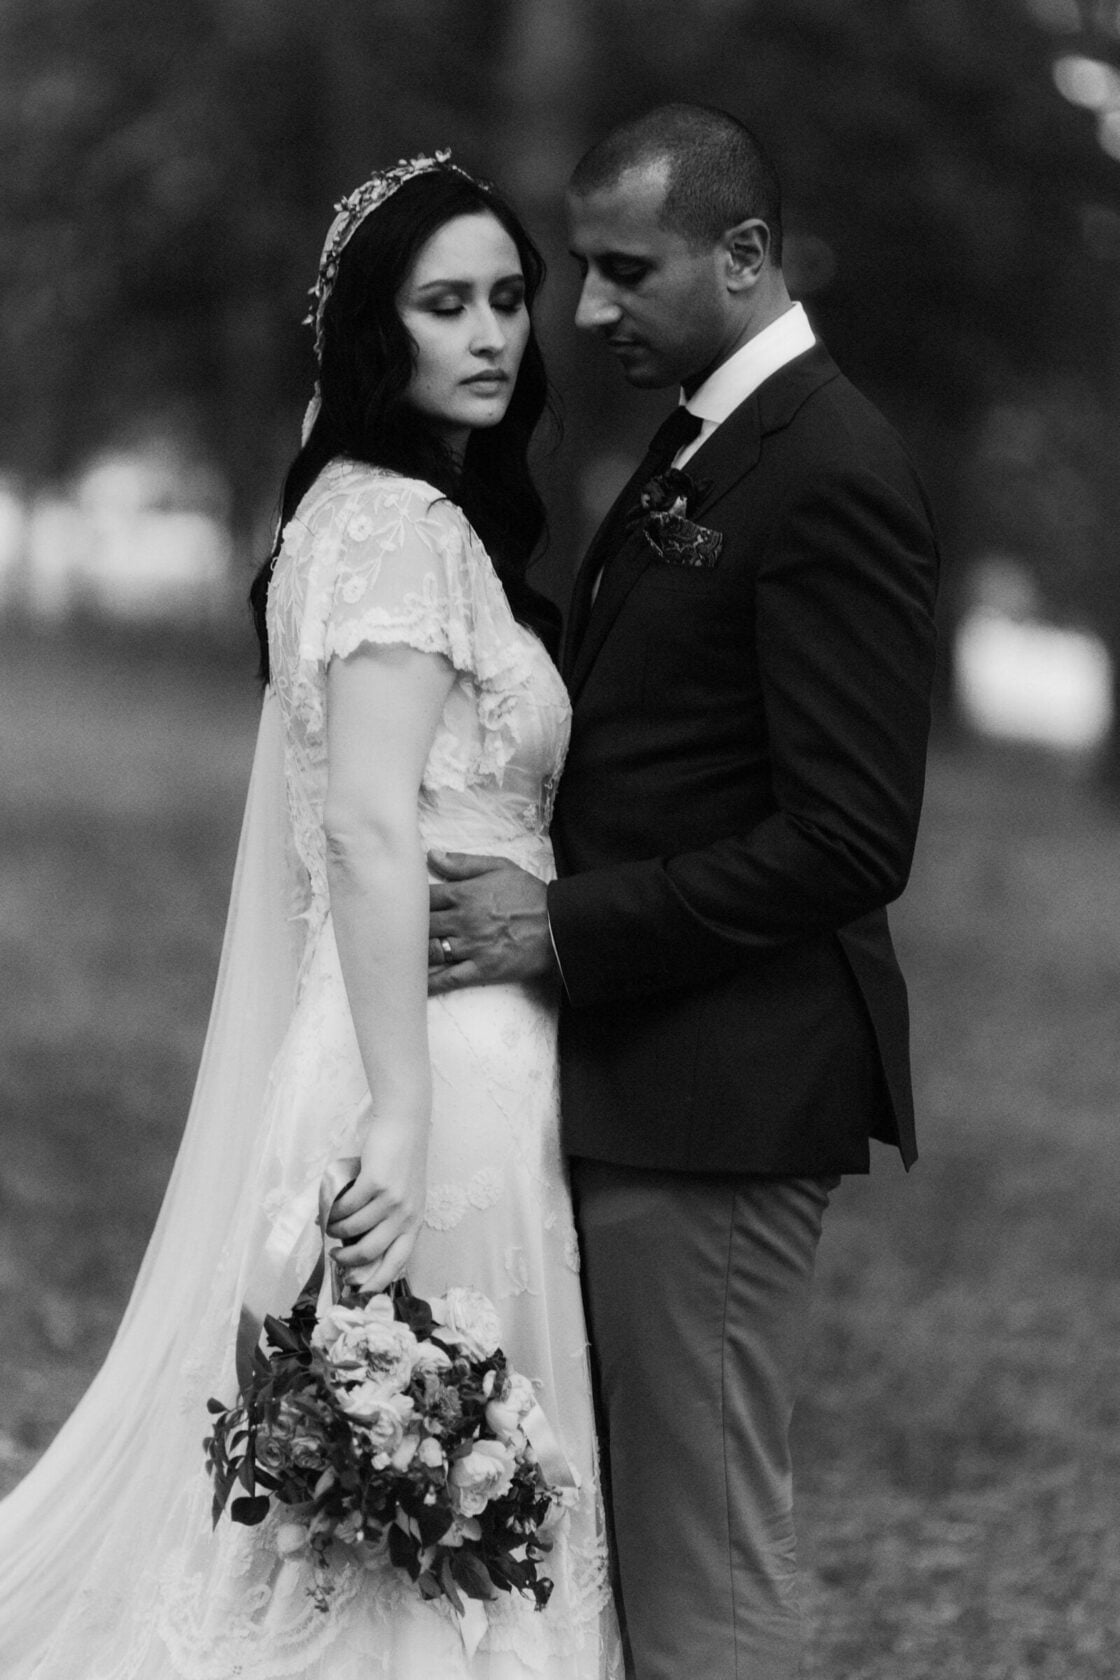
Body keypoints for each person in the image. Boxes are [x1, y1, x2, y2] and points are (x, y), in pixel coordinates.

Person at [0, 153, 621, 1680]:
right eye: (444, 304)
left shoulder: (365, 516)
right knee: (411, 1538)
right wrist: (401, 1112)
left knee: (407, 1536)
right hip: (427, 1066)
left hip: (422, 1043)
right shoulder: (398, 527)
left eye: (507, 299)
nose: (491, 334)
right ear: (372, 331)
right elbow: (363, 822)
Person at [427, 105, 941, 1680]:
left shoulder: (830, 469)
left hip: (727, 1095)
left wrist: (557, 927)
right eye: (584, 270)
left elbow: (849, 839)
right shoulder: (710, 436)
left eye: (624, 270)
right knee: (643, 1552)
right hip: (654, 1078)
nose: (589, 311)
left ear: (744, 253)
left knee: (704, 1562)